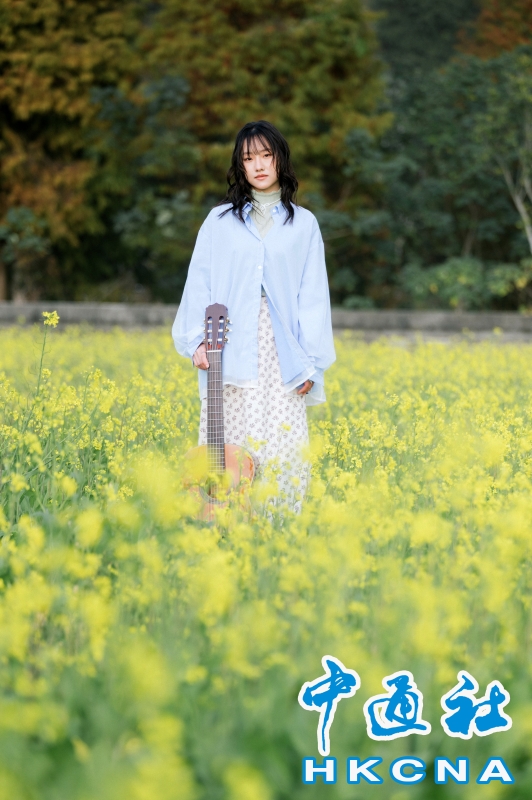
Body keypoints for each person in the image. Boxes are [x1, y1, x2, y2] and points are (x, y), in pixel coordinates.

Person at [172, 120, 335, 513]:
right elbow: (200, 282)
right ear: (240, 166)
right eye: (249, 158)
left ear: (280, 159)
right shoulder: (218, 221)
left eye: (266, 155)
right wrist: (196, 340)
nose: (259, 165)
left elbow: (313, 297)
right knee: (227, 439)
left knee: (282, 442)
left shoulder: (304, 225)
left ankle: (277, 526)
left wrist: (311, 363)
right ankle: (221, 525)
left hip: (283, 351)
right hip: (226, 342)